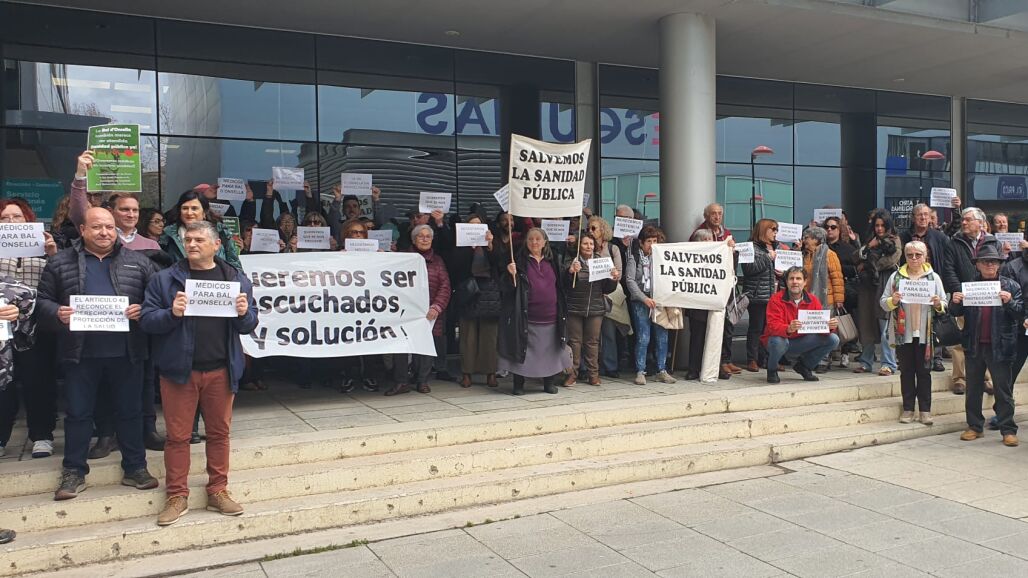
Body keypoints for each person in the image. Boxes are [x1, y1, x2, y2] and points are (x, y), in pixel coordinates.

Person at [141, 220, 258, 525]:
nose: (191, 244)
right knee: (178, 437)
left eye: (199, 240)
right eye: (188, 240)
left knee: (219, 434)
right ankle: (176, 495)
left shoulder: (236, 279)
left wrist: (243, 313)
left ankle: (218, 490)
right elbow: (147, 320)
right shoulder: (165, 279)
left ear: (216, 245)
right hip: (179, 371)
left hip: (221, 370)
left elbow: (250, 324)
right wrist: (172, 313)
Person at [37, 208, 159, 500]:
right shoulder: (60, 262)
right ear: (82, 230)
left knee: (130, 412)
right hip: (80, 354)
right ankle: (74, 471)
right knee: (78, 414)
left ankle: (135, 468)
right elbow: (41, 302)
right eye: (96, 227)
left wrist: (144, 309)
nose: (104, 232)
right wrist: (57, 313)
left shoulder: (138, 262)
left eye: (109, 227)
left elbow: (158, 300)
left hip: (127, 352)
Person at [0, 199, 59, 459]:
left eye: (17, 216)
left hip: (36, 325)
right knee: (3, 382)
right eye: (5, 218)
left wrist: (53, 254)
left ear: (28, 220)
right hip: (2, 324)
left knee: (39, 379)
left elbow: (60, 281)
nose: (11, 222)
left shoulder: (44, 246)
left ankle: (42, 436)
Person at [950, 244, 1023, 447]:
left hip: (1001, 346)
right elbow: (955, 312)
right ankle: (974, 426)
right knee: (973, 388)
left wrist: (1010, 302)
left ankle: (1008, 429)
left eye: (993, 261)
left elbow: (1020, 313)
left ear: (999, 265)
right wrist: (955, 302)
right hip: (974, 345)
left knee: (1003, 390)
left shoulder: (1011, 286)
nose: (989, 265)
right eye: (985, 261)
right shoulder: (969, 286)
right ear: (978, 265)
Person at [881, 241, 947, 425]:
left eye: (918, 255)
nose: (914, 258)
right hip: (903, 333)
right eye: (910, 255)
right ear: (905, 257)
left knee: (924, 372)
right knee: (907, 372)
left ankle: (925, 410)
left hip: (925, 333)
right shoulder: (896, 277)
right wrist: (893, 301)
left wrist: (938, 304)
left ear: (925, 256)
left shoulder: (933, 278)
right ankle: (908, 409)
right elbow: (883, 302)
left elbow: (944, 303)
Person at [498, 227, 570, 395]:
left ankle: (548, 383)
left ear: (545, 242)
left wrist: (571, 272)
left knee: (549, 352)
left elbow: (563, 285)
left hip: (551, 315)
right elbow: (506, 288)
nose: (534, 242)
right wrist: (510, 274)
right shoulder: (518, 261)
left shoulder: (554, 261)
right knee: (523, 350)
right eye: (530, 239)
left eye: (538, 239)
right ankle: (518, 384)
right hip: (526, 316)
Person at [385, 225, 451, 396]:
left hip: (429, 312)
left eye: (428, 236)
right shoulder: (402, 258)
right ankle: (401, 381)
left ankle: (422, 380)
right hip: (404, 311)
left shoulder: (438, 261)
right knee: (401, 345)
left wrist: (436, 307)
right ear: (414, 240)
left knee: (425, 346)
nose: (424, 239)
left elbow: (445, 286)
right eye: (420, 236)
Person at [943, 207, 1000, 395]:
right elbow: (949, 270)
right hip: (965, 298)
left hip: (989, 299)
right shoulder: (954, 242)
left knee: (987, 338)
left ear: (980, 223)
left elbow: (1001, 268)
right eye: (963, 220)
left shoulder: (993, 242)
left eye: (968, 220)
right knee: (961, 340)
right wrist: (959, 292)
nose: (964, 222)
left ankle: (986, 378)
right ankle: (959, 379)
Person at [761, 266, 841, 384]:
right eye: (791, 278)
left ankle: (804, 366)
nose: (795, 282)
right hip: (779, 341)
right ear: (786, 282)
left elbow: (819, 327)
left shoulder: (813, 300)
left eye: (798, 279)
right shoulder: (776, 299)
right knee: (778, 341)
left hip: (801, 341)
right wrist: (788, 328)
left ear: (805, 282)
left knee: (833, 339)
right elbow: (772, 326)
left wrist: (829, 326)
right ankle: (772, 369)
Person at [900, 203, 953, 372]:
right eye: (919, 214)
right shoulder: (904, 236)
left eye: (926, 214)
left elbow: (948, 260)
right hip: (911, 284)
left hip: (933, 283)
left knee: (935, 321)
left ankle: (936, 357)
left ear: (930, 218)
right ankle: (909, 356)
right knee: (913, 322)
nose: (923, 218)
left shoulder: (939, 237)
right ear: (913, 217)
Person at [452, 214, 501, 388]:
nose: (475, 228)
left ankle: (490, 372)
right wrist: (469, 249)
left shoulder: (491, 242)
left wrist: (490, 245)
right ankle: (467, 373)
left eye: (479, 225)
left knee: (490, 335)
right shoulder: (460, 245)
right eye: (471, 225)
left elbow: (500, 262)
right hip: (469, 291)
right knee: (468, 334)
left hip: (489, 291)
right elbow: (455, 265)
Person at [564, 235, 620, 386]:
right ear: (579, 246)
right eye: (585, 244)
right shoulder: (571, 261)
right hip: (575, 307)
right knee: (575, 342)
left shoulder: (601, 262)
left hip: (595, 308)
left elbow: (607, 289)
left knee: (592, 342)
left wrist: (613, 279)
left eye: (591, 244)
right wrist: (570, 272)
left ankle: (593, 375)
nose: (589, 246)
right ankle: (572, 375)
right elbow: (564, 284)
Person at [625, 226, 677, 385]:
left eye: (655, 241)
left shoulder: (662, 257)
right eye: (649, 241)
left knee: (662, 336)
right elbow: (630, 281)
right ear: (641, 243)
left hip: (659, 301)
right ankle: (640, 371)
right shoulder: (634, 258)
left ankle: (662, 370)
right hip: (641, 302)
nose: (652, 244)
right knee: (643, 337)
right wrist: (643, 298)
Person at [693, 203, 740, 375]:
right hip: (702, 290)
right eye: (713, 213)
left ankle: (721, 363)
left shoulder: (727, 234)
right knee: (699, 331)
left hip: (721, 289)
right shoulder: (699, 234)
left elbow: (732, 264)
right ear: (706, 216)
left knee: (722, 327)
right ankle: (695, 368)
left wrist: (733, 251)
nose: (717, 216)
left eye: (720, 213)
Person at [855, 209, 901, 376]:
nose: (879, 229)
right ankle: (866, 361)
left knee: (886, 325)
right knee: (866, 323)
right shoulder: (870, 239)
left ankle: (888, 363)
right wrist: (869, 246)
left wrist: (868, 265)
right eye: (877, 225)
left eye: (882, 225)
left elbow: (891, 261)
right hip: (867, 286)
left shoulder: (894, 240)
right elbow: (855, 257)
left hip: (885, 282)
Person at [160, 191, 242, 271]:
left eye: (194, 208)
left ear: (204, 212)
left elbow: (234, 265)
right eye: (185, 208)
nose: (189, 213)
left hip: (216, 279)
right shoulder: (168, 235)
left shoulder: (221, 232)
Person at [801, 226, 844, 372]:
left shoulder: (829, 254)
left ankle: (824, 360)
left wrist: (839, 299)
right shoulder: (805, 255)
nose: (804, 241)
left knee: (825, 330)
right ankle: (812, 358)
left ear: (816, 239)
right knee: (810, 330)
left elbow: (837, 278)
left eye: (807, 238)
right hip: (808, 299)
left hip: (827, 300)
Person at [585, 216, 624, 378]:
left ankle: (610, 365)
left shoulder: (613, 249)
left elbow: (619, 273)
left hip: (609, 295)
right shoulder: (586, 247)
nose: (590, 231)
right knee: (590, 334)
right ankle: (587, 367)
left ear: (603, 230)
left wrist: (612, 280)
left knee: (608, 332)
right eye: (588, 228)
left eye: (593, 228)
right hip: (591, 294)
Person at [741, 219, 782, 372]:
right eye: (773, 229)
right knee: (756, 328)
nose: (775, 233)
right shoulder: (750, 247)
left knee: (769, 329)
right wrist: (768, 258)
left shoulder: (776, 247)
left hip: (773, 295)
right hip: (757, 295)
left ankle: (766, 359)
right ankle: (752, 359)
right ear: (764, 230)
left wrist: (782, 271)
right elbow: (749, 269)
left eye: (776, 230)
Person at [684, 229, 724, 380]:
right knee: (697, 337)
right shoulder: (690, 257)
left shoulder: (718, 255)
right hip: (697, 304)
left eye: (710, 239)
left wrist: (732, 252)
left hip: (714, 302)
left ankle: (715, 367)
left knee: (716, 336)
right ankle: (693, 369)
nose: (709, 242)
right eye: (705, 240)